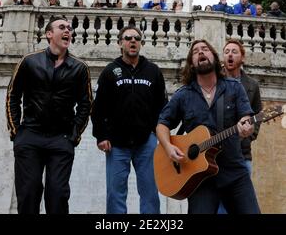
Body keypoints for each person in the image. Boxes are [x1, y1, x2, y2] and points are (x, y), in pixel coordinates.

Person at [156, 39, 260, 214]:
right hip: (200, 179)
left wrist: (246, 127)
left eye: (205, 49)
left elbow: (246, 117)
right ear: (192, 63)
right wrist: (168, 148)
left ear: (214, 57)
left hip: (234, 172)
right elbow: (162, 124)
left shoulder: (234, 88)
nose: (200, 52)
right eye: (195, 52)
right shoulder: (183, 95)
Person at [6, 16, 93, 214]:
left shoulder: (80, 67)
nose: (67, 31)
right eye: (62, 27)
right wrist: (16, 132)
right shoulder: (29, 61)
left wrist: (73, 136)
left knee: (58, 195)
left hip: (61, 139)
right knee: (28, 192)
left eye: (69, 29)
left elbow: (86, 104)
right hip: (29, 136)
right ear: (49, 34)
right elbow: (13, 95)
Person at [91, 25, 167, 214]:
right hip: (116, 143)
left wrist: (158, 134)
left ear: (140, 44)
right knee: (115, 193)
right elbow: (99, 108)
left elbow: (163, 107)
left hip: (146, 142)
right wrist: (101, 135)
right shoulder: (110, 71)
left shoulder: (153, 71)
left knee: (150, 192)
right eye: (128, 38)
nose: (133, 41)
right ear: (120, 43)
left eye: (137, 38)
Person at [217, 39, 262, 213]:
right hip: (215, 156)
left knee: (241, 205)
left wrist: (248, 134)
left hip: (242, 154)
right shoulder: (213, 81)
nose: (229, 54)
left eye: (234, 51)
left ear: (242, 58)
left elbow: (257, 115)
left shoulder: (252, 85)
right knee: (219, 207)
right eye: (227, 51)